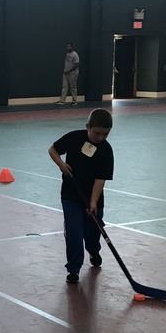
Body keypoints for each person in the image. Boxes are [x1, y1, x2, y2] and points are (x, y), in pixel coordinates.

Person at [48, 107, 114, 284]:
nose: (101, 138)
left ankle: (93, 250)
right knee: (74, 232)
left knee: (92, 232)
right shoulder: (74, 138)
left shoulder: (106, 151)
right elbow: (53, 149)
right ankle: (73, 269)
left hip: (93, 197)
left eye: (105, 134)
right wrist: (61, 164)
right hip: (70, 194)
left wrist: (93, 202)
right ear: (88, 127)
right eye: (97, 133)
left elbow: (101, 179)